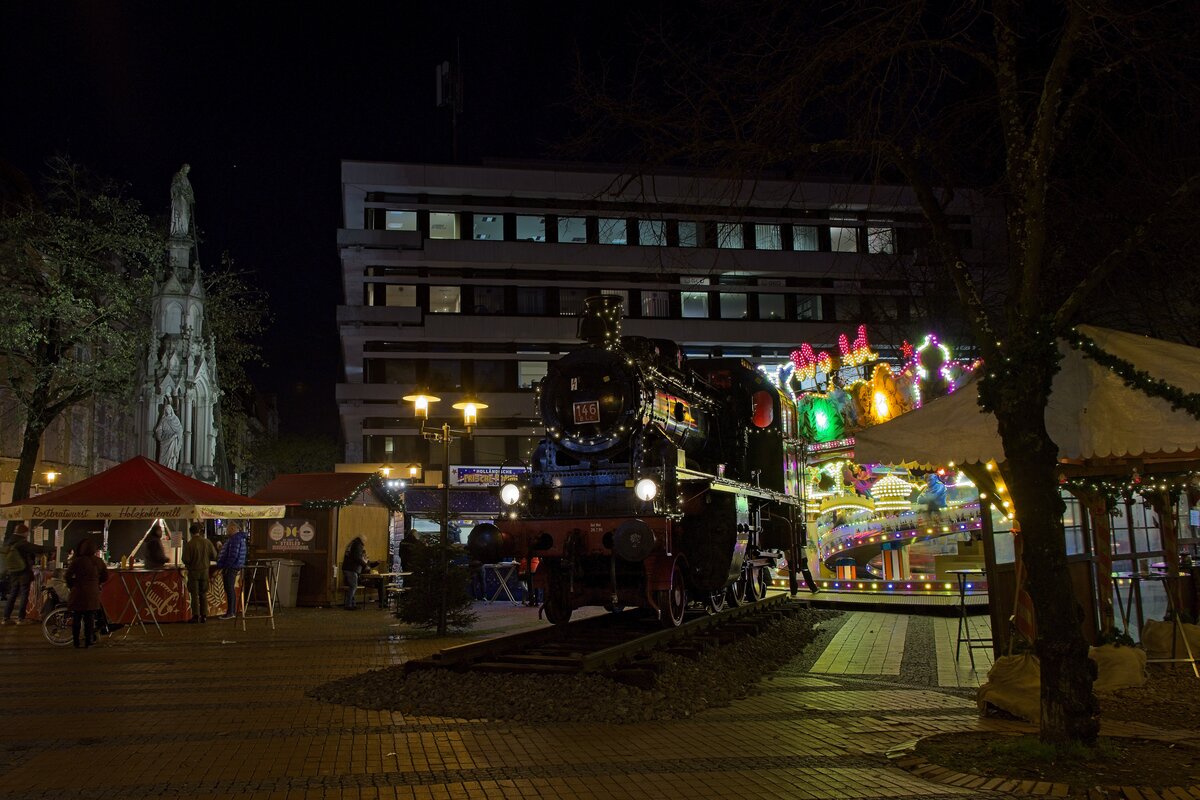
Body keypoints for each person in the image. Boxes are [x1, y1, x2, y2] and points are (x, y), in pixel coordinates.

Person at [1, 524, 52, 625]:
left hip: (13, 571)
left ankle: (5, 618)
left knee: (13, 593)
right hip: (23, 572)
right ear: (24, 532)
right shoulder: (21, 542)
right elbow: (37, 549)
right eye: (27, 532)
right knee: (24, 593)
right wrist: (53, 548)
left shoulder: (9, 541)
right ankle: (21, 618)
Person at [65, 538, 108, 648]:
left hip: (78, 592)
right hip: (92, 593)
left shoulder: (77, 561)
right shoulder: (99, 561)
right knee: (89, 618)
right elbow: (105, 576)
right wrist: (96, 582)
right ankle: (88, 641)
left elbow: (67, 576)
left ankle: (76, 641)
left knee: (77, 618)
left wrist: (72, 585)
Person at [181, 522, 217, 623]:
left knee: (194, 594)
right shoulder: (207, 542)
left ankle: (196, 616)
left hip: (193, 572)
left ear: (191, 532)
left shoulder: (189, 544)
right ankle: (204, 616)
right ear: (199, 531)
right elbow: (214, 555)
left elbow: (185, 559)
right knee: (203, 594)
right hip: (205, 571)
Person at [215, 522, 248, 619]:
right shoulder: (238, 539)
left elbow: (233, 555)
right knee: (230, 589)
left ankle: (231, 612)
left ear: (233, 528)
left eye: (228, 528)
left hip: (231, 567)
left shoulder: (235, 539)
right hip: (235, 566)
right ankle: (231, 611)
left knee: (229, 589)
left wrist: (226, 566)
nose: (227, 530)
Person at [340, 536, 370, 610]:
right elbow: (357, 557)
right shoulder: (358, 545)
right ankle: (348, 605)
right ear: (362, 540)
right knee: (353, 586)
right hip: (351, 568)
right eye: (365, 541)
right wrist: (365, 565)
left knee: (352, 586)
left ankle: (352, 604)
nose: (365, 543)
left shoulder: (352, 543)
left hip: (347, 567)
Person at [155, 403, 183, 470]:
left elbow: (180, 430)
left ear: (171, 410)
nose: (167, 410)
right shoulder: (163, 419)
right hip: (164, 440)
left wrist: (176, 435)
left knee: (171, 457)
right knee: (162, 457)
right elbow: (159, 429)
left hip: (172, 440)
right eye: (166, 409)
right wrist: (159, 436)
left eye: (168, 409)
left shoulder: (175, 419)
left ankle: (171, 468)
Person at [169, 163, 194, 238]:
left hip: (186, 200)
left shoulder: (187, 179)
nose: (187, 171)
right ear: (183, 168)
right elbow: (174, 185)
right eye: (186, 169)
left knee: (186, 215)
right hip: (179, 198)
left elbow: (190, 190)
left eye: (188, 170)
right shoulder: (177, 175)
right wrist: (181, 190)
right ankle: (178, 230)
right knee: (180, 212)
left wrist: (190, 195)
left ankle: (184, 231)